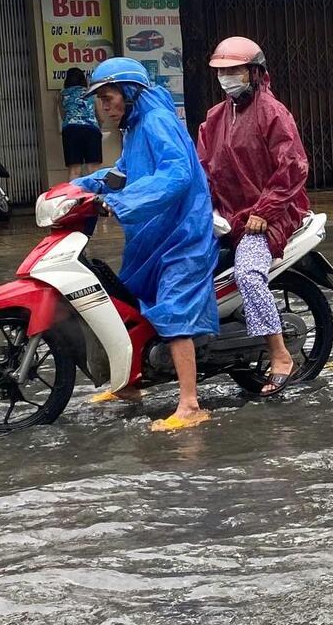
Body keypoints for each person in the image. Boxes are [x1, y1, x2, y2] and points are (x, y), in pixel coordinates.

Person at [74, 56, 218, 432]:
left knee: (172, 310)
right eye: (100, 99)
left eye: (108, 97)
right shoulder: (135, 127)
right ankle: (130, 385)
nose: (103, 105)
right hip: (153, 234)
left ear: (130, 93)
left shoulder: (157, 122)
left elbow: (176, 175)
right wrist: (79, 187)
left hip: (181, 235)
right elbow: (122, 174)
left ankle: (189, 403)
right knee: (130, 304)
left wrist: (119, 202)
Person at [195, 36, 310, 396]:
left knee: (248, 274)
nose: (227, 77)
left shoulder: (272, 112)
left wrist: (264, 210)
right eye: (222, 71)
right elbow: (202, 170)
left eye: (234, 70)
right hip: (228, 217)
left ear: (254, 73)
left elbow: (292, 167)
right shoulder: (214, 118)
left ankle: (279, 355)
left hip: (271, 216)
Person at [59, 65, 102, 180]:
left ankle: (74, 196)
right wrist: (99, 128)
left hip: (71, 130)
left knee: (74, 170)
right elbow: (100, 116)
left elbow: (63, 116)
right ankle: (95, 195)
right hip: (91, 130)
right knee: (93, 168)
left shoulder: (62, 94)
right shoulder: (91, 93)